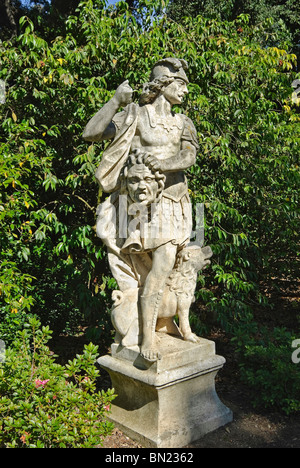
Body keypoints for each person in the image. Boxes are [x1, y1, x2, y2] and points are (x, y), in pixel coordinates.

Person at [83, 58, 199, 361]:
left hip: (175, 202)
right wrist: (115, 101)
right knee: (154, 271)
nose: (186, 91)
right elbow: (91, 133)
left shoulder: (183, 122)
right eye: (181, 84)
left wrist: (164, 163)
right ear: (163, 85)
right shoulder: (136, 115)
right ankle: (147, 337)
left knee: (170, 270)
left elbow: (188, 156)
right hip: (143, 207)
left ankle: (165, 324)